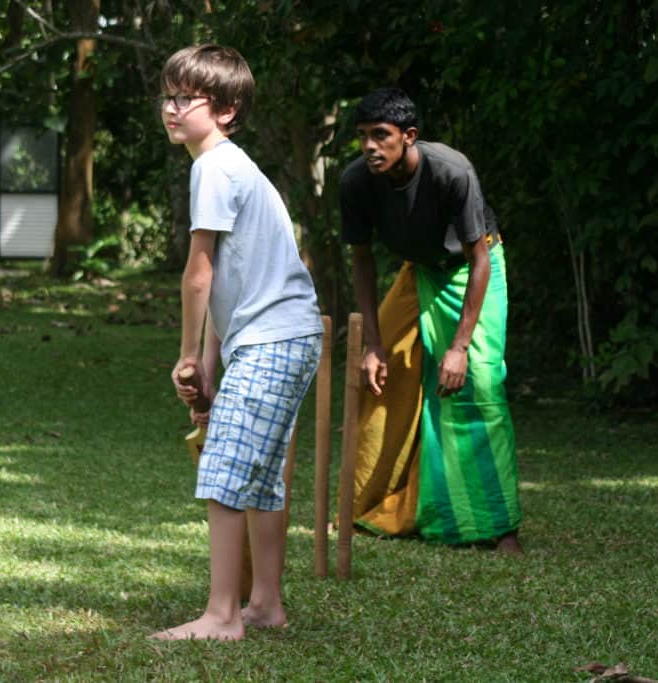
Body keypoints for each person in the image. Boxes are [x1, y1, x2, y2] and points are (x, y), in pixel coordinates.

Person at [153, 45, 323, 641]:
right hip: (284, 335)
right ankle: (265, 604)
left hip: (275, 337)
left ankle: (222, 616)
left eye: (185, 99)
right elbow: (236, 280)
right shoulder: (234, 167)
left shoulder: (215, 168)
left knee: (226, 467)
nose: (171, 109)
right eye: (167, 96)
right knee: (263, 473)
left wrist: (187, 354)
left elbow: (200, 273)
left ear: (225, 110)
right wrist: (212, 366)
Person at [339, 88, 522, 554]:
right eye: (362, 137)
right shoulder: (356, 181)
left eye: (381, 136)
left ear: (409, 136)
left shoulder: (450, 170)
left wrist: (458, 347)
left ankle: (500, 529)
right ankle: (370, 506)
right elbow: (360, 260)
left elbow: (479, 258)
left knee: (480, 384)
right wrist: (373, 344)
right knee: (380, 379)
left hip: (473, 271)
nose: (370, 147)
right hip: (417, 272)